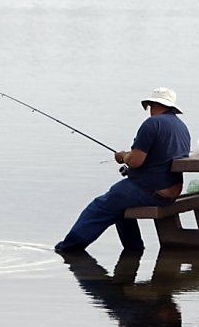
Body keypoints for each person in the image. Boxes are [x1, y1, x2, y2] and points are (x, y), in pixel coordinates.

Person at [54, 87, 191, 253]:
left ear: (154, 104)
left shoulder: (152, 124)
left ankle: (68, 247)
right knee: (119, 204)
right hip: (172, 191)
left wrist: (122, 156)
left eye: (150, 106)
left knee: (100, 206)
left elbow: (135, 161)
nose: (149, 110)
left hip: (150, 190)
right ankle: (133, 249)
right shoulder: (181, 127)